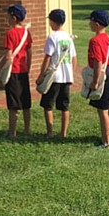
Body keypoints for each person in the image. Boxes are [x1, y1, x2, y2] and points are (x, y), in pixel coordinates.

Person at [36, 9, 76, 138]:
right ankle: (63, 132)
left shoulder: (52, 37)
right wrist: (72, 73)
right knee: (64, 106)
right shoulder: (68, 37)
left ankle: (50, 132)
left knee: (48, 105)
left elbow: (48, 57)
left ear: (53, 22)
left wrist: (42, 74)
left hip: (54, 76)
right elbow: (74, 57)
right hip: (67, 76)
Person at [86, 9, 109, 148]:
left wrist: (95, 81)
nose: (89, 23)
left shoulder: (95, 41)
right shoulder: (108, 39)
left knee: (102, 110)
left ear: (97, 24)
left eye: (91, 21)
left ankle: (105, 141)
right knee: (107, 108)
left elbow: (98, 62)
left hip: (102, 74)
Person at [2, 4, 32, 138]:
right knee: (26, 102)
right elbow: (29, 52)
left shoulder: (10, 33)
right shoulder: (26, 33)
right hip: (23, 70)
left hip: (13, 71)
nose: (6, 18)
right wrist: (28, 67)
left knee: (13, 104)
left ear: (13, 18)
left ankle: (12, 132)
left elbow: (8, 55)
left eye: (8, 16)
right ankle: (26, 130)